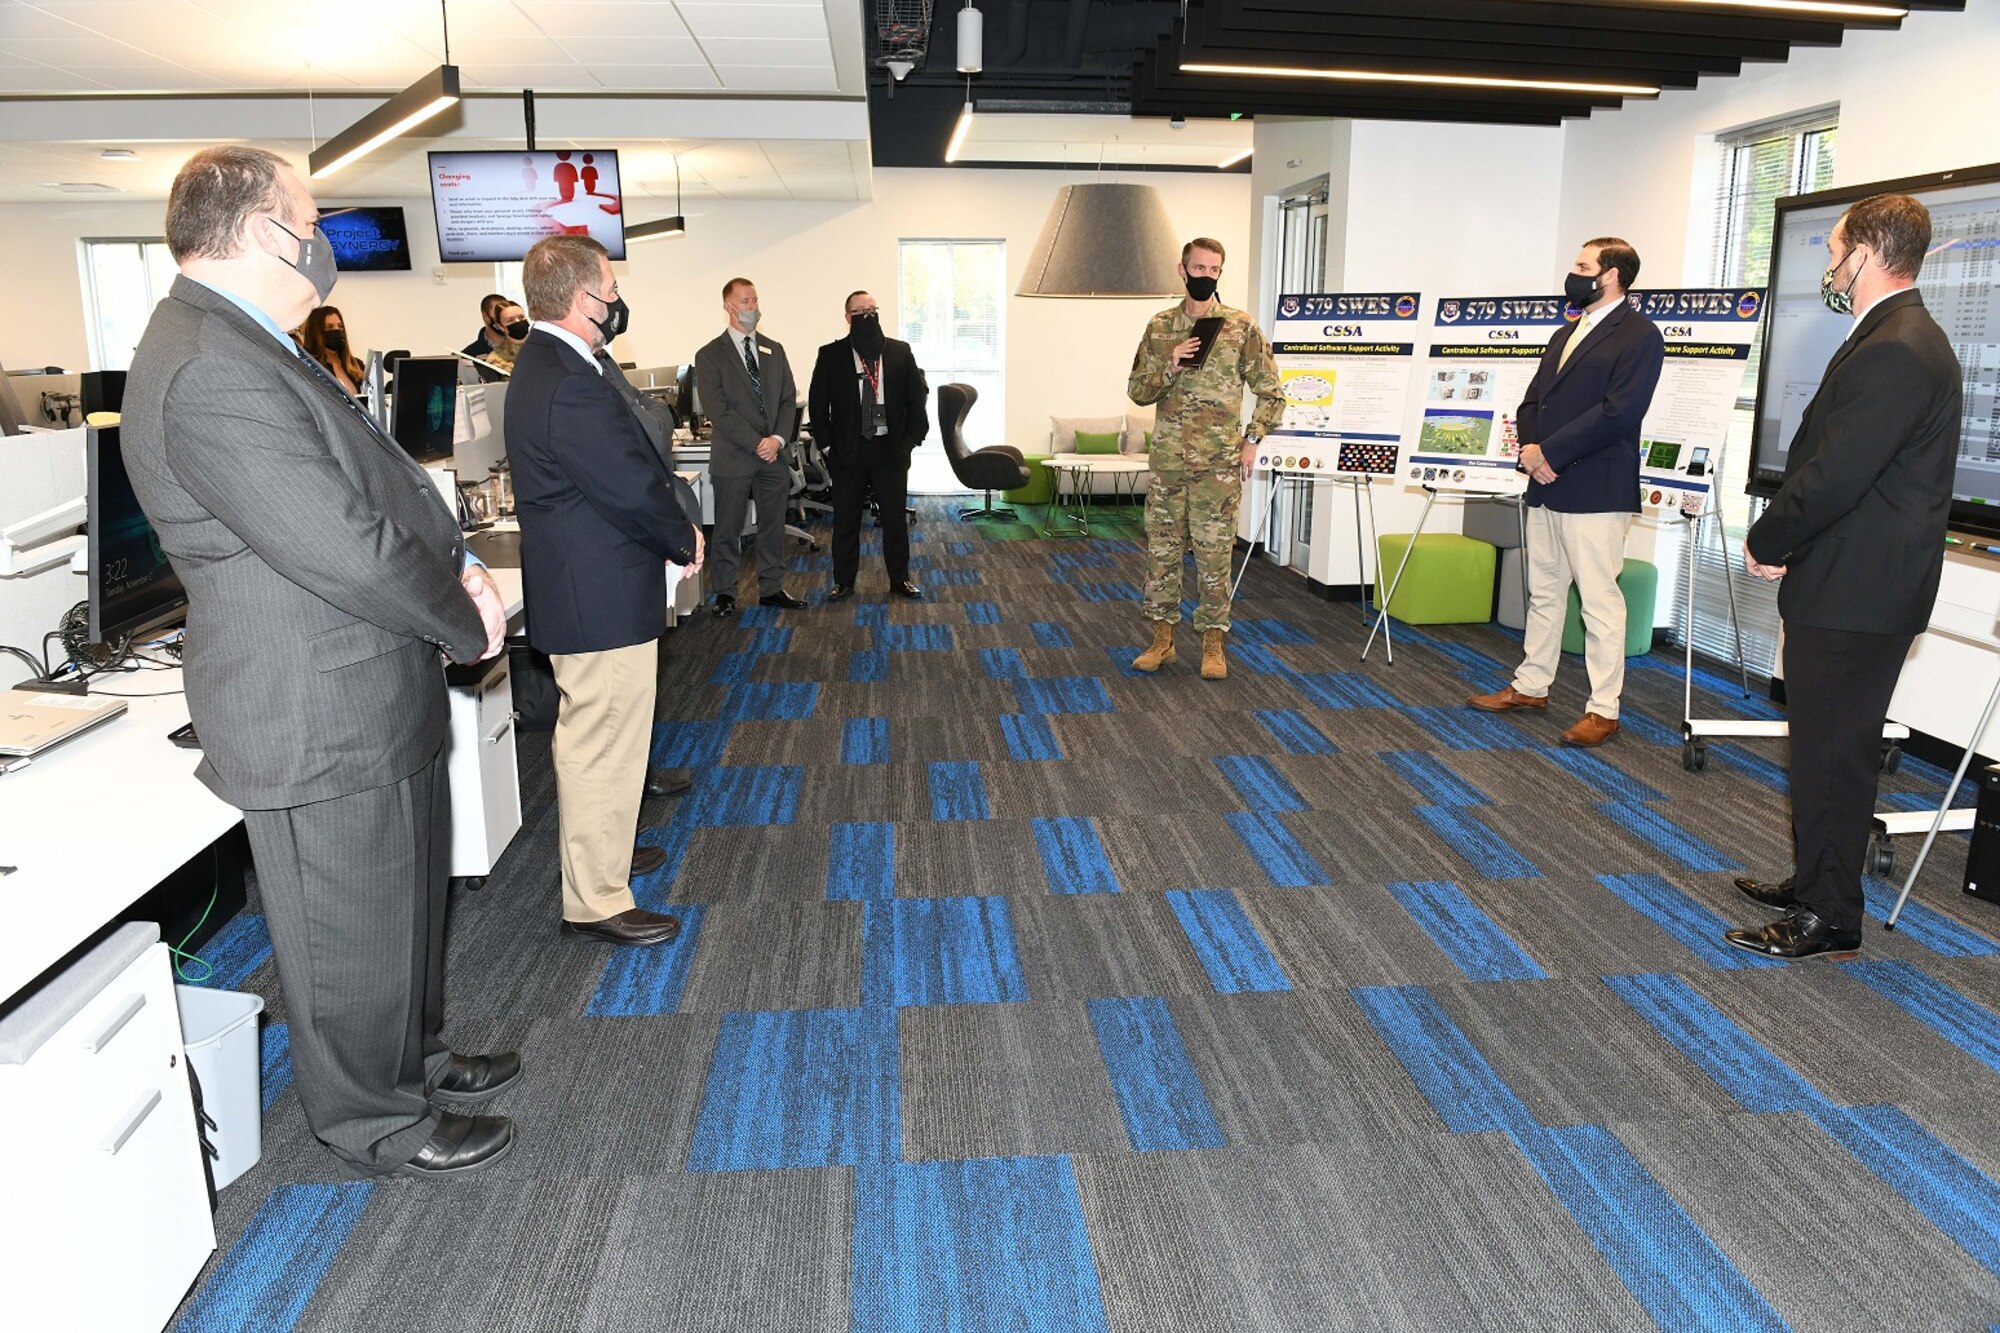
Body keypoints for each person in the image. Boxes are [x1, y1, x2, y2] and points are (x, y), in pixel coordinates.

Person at [122, 146, 517, 1179]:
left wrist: (463, 562)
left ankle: (415, 1062)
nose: (324, 238)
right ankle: (371, 1118)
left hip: (365, 678)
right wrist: (463, 617)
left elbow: (380, 488)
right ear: (259, 229)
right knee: (349, 927)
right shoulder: (210, 362)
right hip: (315, 702)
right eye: (310, 216)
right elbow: (339, 540)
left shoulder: (257, 342)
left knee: (403, 905)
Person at [1727, 194, 1961, 960]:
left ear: (1866, 252)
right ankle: (1813, 882)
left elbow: (1835, 475)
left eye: (1834, 248)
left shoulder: (1900, 346)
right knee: (1822, 743)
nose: (1828, 262)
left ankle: (1830, 915)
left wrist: (1769, 535)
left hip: (1859, 593)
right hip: (1849, 582)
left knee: (1834, 752)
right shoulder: (1892, 335)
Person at [505, 234, 705, 947]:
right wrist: (683, 537)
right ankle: (594, 899)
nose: (617, 300)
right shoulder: (567, 379)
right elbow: (625, 483)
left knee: (606, 741)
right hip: (598, 595)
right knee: (599, 744)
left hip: (593, 587)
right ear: (579, 297)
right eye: (610, 288)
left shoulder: (555, 362)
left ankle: (607, 859)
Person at [1466, 237, 1665, 746]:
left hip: (1596, 489)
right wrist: (1533, 452)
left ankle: (1604, 710)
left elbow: (1618, 413)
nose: (1573, 274)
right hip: (1547, 484)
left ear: (1612, 275)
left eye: (1582, 266)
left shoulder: (1641, 336)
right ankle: (1532, 686)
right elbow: (1534, 401)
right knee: (1546, 592)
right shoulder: (1566, 331)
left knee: (1600, 603)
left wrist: (1549, 455)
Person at [1126, 237, 1284, 679]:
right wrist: (1170, 365)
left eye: (1214, 271)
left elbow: (1272, 393)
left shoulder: (1239, 326)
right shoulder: (1160, 327)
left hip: (1217, 464)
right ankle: (1163, 641)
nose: (1206, 277)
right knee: (1162, 553)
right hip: (1169, 464)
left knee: (1215, 555)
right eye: (1199, 269)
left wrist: (1252, 439)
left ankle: (1213, 644)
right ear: (1182, 269)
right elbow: (1138, 391)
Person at [808, 290, 929, 602]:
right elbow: (818, 407)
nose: (867, 316)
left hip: (890, 450)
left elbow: (917, 400)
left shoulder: (900, 352)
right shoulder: (831, 355)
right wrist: (827, 448)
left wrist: (910, 442)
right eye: (860, 311)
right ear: (847, 317)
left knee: (894, 520)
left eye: (872, 309)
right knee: (846, 521)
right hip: (848, 452)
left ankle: (900, 579)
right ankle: (844, 582)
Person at [696, 277, 804, 614]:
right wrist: (757, 442)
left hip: (773, 456)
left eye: (755, 300)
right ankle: (726, 592)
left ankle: (771, 587)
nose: (752, 307)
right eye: (745, 301)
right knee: (728, 529)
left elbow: (789, 400)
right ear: (728, 306)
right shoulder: (710, 355)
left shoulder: (775, 349)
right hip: (734, 456)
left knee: (772, 527)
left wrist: (777, 439)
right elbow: (718, 410)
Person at [298, 304, 365, 397]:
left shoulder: (358, 366)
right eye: (329, 327)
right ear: (316, 332)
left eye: (340, 326)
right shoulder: (310, 366)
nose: (337, 331)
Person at [478, 299, 530, 375]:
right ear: (501, 326)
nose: (518, 321)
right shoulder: (495, 359)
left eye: (521, 317)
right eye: (510, 320)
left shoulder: (544, 346)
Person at [460, 292, 508, 359]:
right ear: (485, 316)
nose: (503, 318)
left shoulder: (521, 348)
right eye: (497, 313)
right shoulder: (468, 355)